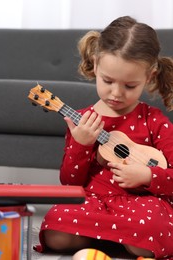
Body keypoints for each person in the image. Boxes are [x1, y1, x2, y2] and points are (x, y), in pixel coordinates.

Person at [37, 16, 173, 260]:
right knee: (55, 228)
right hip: (94, 201)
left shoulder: (154, 120)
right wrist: (81, 144)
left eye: (130, 86)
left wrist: (147, 177)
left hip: (140, 204)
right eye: (108, 81)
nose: (116, 93)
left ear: (150, 77)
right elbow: (70, 183)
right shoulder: (82, 120)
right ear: (96, 65)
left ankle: (106, 242)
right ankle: (117, 244)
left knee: (152, 226)